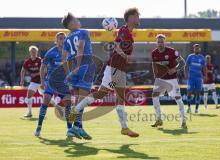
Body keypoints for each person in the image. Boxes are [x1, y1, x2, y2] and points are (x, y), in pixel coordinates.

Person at [70, 8, 140, 137]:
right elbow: (116, 45)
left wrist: (126, 57)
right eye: (136, 16)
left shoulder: (129, 33)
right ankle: (76, 109)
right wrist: (124, 55)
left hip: (120, 70)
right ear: (130, 18)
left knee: (120, 98)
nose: (138, 18)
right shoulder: (124, 30)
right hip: (115, 69)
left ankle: (124, 128)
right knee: (102, 93)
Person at [61, 13, 95, 139]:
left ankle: (77, 128)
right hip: (84, 66)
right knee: (81, 102)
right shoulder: (84, 32)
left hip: (73, 69)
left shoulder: (67, 38)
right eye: (75, 20)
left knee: (78, 102)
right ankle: (75, 127)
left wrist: (69, 72)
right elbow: (81, 48)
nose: (78, 21)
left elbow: (64, 57)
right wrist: (78, 67)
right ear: (70, 24)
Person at [34, 32, 74, 138]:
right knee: (45, 103)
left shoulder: (70, 52)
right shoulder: (51, 52)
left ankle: (69, 129)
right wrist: (42, 82)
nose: (62, 40)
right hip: (51, 82)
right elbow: (42, 67)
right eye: (60, 38)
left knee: (68, 104)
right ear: (56, 41)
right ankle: (39, 126)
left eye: (64, 38)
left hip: (63, 83)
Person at [151, 34, 187, 129]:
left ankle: (184, 120)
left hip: (172, 79)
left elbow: (183, 62)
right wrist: (155, 75)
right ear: (156, 43)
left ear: (165, 42)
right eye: (158, 42)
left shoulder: (172, 51)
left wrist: (174, 69)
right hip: (160, 80)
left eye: (162, 41)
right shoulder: (154, 53)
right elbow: (154, 64)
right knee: (154, 96)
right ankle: (159, 119)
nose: (160, 43)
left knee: (178, 99)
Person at [184, 44, 207, 114]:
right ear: (194, 49)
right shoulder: (190, 56)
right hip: (191, 78)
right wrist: (185, 74)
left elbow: (204, 67)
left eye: (198, 48)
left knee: (198, 93)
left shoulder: (202, 57)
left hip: (198, 78)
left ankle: (196, 109)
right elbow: (186, 66)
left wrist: (205, 75)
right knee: (189, 92)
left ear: (200, 49)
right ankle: (188, 107)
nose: (197, 49)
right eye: (195, 48)